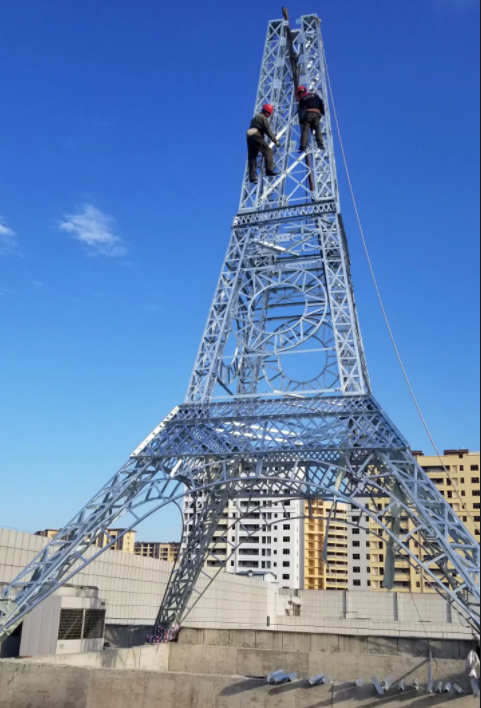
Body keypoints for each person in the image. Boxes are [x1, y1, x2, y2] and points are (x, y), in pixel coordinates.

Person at [247, 104, 281, 184]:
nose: (269, 115)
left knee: (252, 157)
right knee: (268, 151)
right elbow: (268, 131)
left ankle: (252, 177)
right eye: (269, 113)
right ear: (266, 112)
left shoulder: (255, 118)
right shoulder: (263, 118)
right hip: (256, 135)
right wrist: (275, 141)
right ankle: (269, 170)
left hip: (249, 136)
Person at [296, 86, 325, 152]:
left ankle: (303, 145)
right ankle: (320, 143)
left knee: (305, 130)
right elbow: (321, 104)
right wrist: (322, 113)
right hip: (316, 114)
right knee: (317, 128)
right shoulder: (315, 96)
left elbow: (301, 111)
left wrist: (301, 121)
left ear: (300, 93)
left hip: (308, 115)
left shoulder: (302, 99)